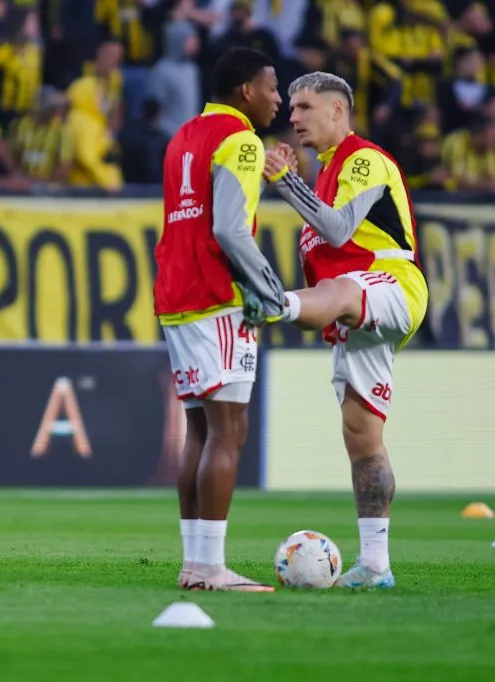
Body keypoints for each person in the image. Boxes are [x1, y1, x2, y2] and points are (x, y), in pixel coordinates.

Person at [258, 71, 428, 590]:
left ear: (337, 110)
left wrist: (286, 183)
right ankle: (376, 564)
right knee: (362, 436)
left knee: (339, 291)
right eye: (290, 108)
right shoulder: (328, 172)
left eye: (304, 107)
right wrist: (299, 180)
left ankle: (271, 304)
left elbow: (336, 230)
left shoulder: (364, 159)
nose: (293, 117)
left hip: (393, 281)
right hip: (356, 311)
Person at [153, 47, 285, 592]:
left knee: (200, 432)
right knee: (230, 431)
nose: (279, 99)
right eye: (273, 87)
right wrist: (269, 287)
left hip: (176, 295)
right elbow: (231, 229)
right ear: (246, 90)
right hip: (216, 294)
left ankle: (194, 563)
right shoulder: (240, 141)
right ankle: (211, 568)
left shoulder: (184, 136)